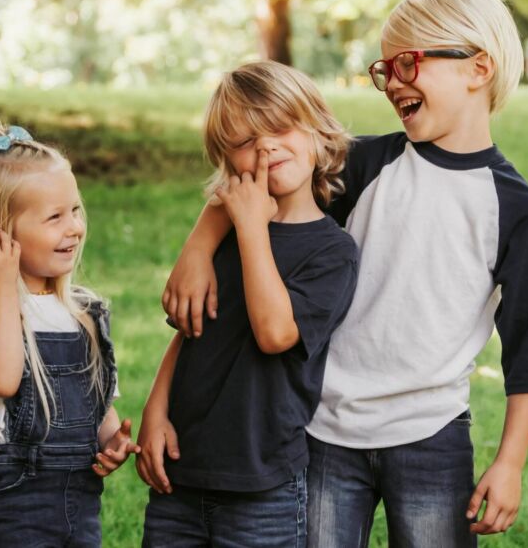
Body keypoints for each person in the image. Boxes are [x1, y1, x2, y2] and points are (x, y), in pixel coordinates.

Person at [162, 0, 528, 546]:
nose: (393, 83)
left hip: (432, 435)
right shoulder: (367, 162)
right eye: (385, 70)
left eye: (407, 64)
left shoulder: (515, 208)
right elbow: (261, 177)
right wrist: (198, 249)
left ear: (478, 68)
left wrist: (510, 464)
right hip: (325, 430)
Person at [136, 61, 360, 547]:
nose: (265, 146)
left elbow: (275, 332)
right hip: (182, 473)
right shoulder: (223, 234)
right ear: (227, 161)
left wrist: (250, 227)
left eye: (281, 127)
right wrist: (156, 411)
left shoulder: (333, 252)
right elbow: (192, 329)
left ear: (317, 133)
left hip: (264, 486)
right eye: (244, 141)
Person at [0, 122, 139, 548]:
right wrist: (3, 290)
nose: (74, 227)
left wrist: (112, 441)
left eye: (75, 210)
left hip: (79, 498)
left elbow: (95, 408)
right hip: (13, 501)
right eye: (54, 217)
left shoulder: (82, 313)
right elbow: (2, 380)